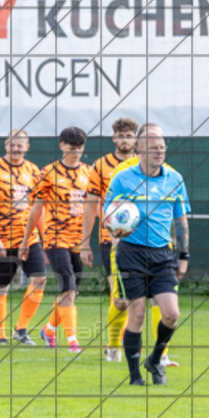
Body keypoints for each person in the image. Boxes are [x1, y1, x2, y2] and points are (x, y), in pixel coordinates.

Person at [104, 124, 190, 386]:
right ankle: (135, 376)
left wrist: (183, 255)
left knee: (171, 314)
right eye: (154, 148)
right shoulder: (122, 178)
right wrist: (114, 234)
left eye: (162, 148)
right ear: (140, 149)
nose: (159, 152)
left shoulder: (174, 179)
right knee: (137, 315)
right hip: (130, 253)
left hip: (163, 254)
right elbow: (108, 213)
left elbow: (181, 219)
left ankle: (154, 359)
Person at [20, 126, 91, 353]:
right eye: (72, 148)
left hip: (79, 240)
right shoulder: (48, 173)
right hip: (55, 238)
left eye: (79, 149)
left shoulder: (89, 173)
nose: (76, 153)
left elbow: (94, 207)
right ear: (61, 145)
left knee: (71, 292)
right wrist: (25, 241)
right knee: (68, 287)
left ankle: (49, 329)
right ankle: (73, 341)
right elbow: (35, 209)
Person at [0, 129, 46, 345]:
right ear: (6, 145)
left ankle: (21, 328)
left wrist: (45, 238)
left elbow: (39, 208)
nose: (16, 149)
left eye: (20, 145)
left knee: (39, 280)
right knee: (0, 287)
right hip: (2, 237)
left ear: (27, 147)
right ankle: (1, 335)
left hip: (28, 238)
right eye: (12, 144)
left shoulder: (34, 171)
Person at [80, 117, 138, 362]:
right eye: (120, 136)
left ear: (136, 138)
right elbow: (91, 205)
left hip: (143, 238)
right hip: (111, 239)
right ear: (113, 138)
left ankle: (130, 344)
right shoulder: (100, 166)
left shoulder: (143, 163)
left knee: (146, 296)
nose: (124, 140)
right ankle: (113, 346)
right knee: (120, 295)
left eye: (129, 136)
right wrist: (84, 243)